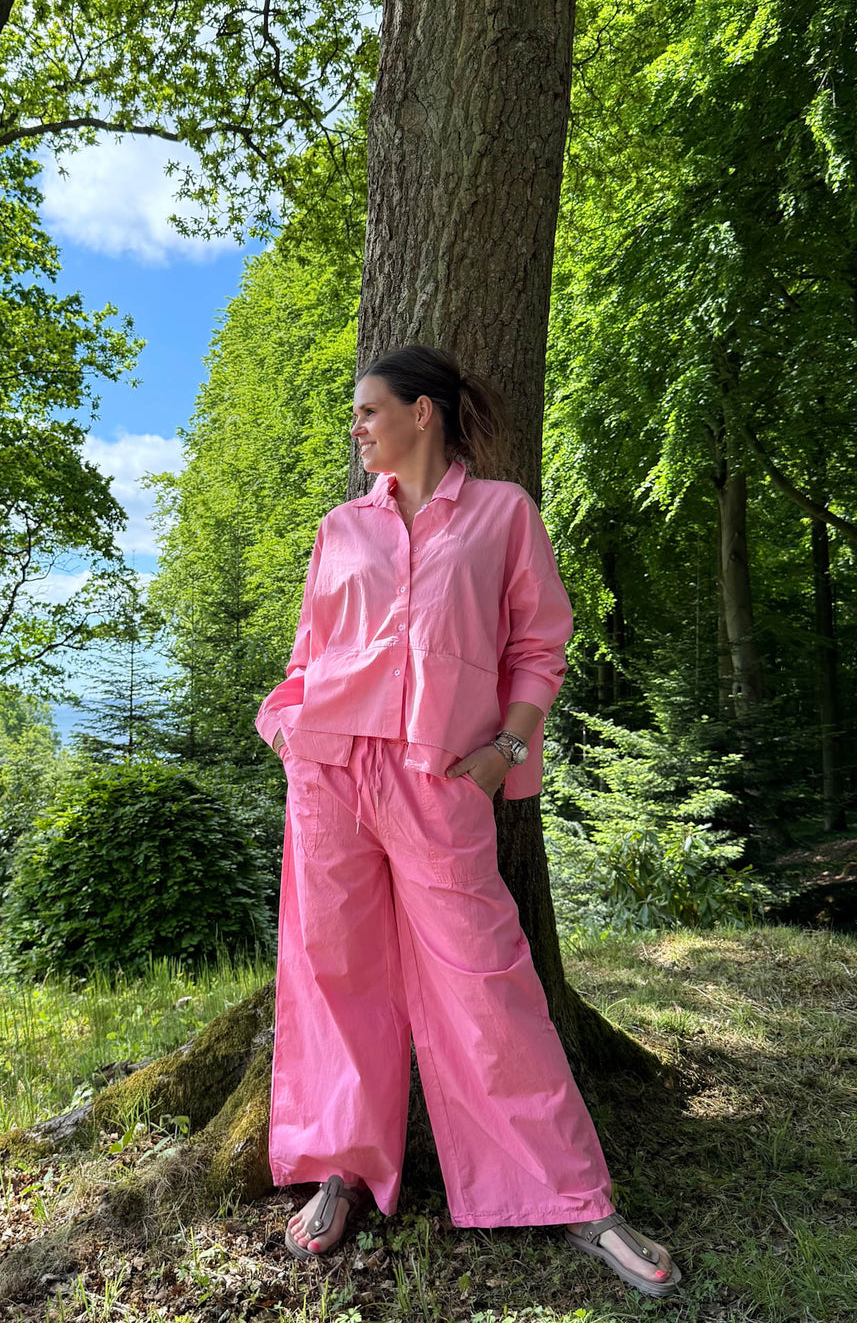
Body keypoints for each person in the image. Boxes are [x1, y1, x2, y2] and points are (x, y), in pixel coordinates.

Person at [254, 345, 681, 1299]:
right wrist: (286, 730)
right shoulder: (340, 528)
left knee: (488, 981)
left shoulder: (502, 514)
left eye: (369, 411)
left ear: (424, 413)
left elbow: (539, 646)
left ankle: (573, 1195)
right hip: (330, 773)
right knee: (335, 974)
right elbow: (308, 654)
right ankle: (342, 1168)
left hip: (439, 776)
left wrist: (506, 752)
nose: (358, 429)